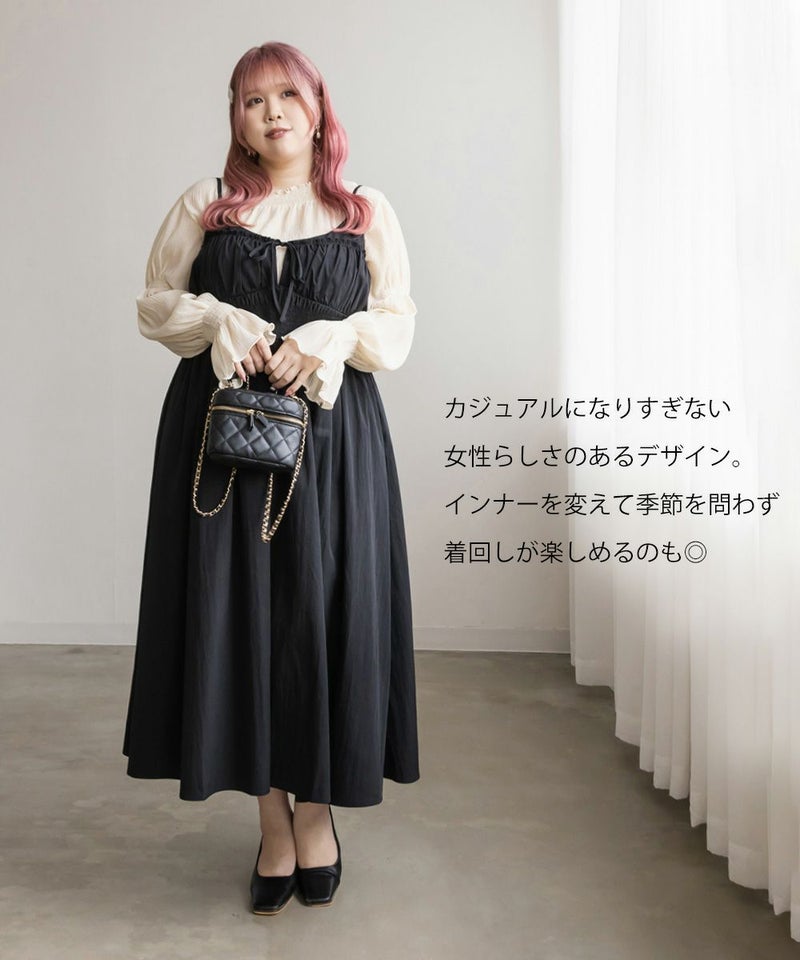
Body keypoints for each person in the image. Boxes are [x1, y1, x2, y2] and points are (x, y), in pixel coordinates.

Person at [121, 41, 420, 915]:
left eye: (288, 94)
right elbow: (154, 304)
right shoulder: (207, 204)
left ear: (319, 109)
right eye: (252, 100)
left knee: (322, 618)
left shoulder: (365, 212)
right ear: (237, 121)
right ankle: (272, 822)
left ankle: (318, 812)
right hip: (220, 445)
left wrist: (331, 336)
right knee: (238, 618)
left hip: (334, 446)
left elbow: (396, 325)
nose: (272, 112)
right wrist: (220, 318)